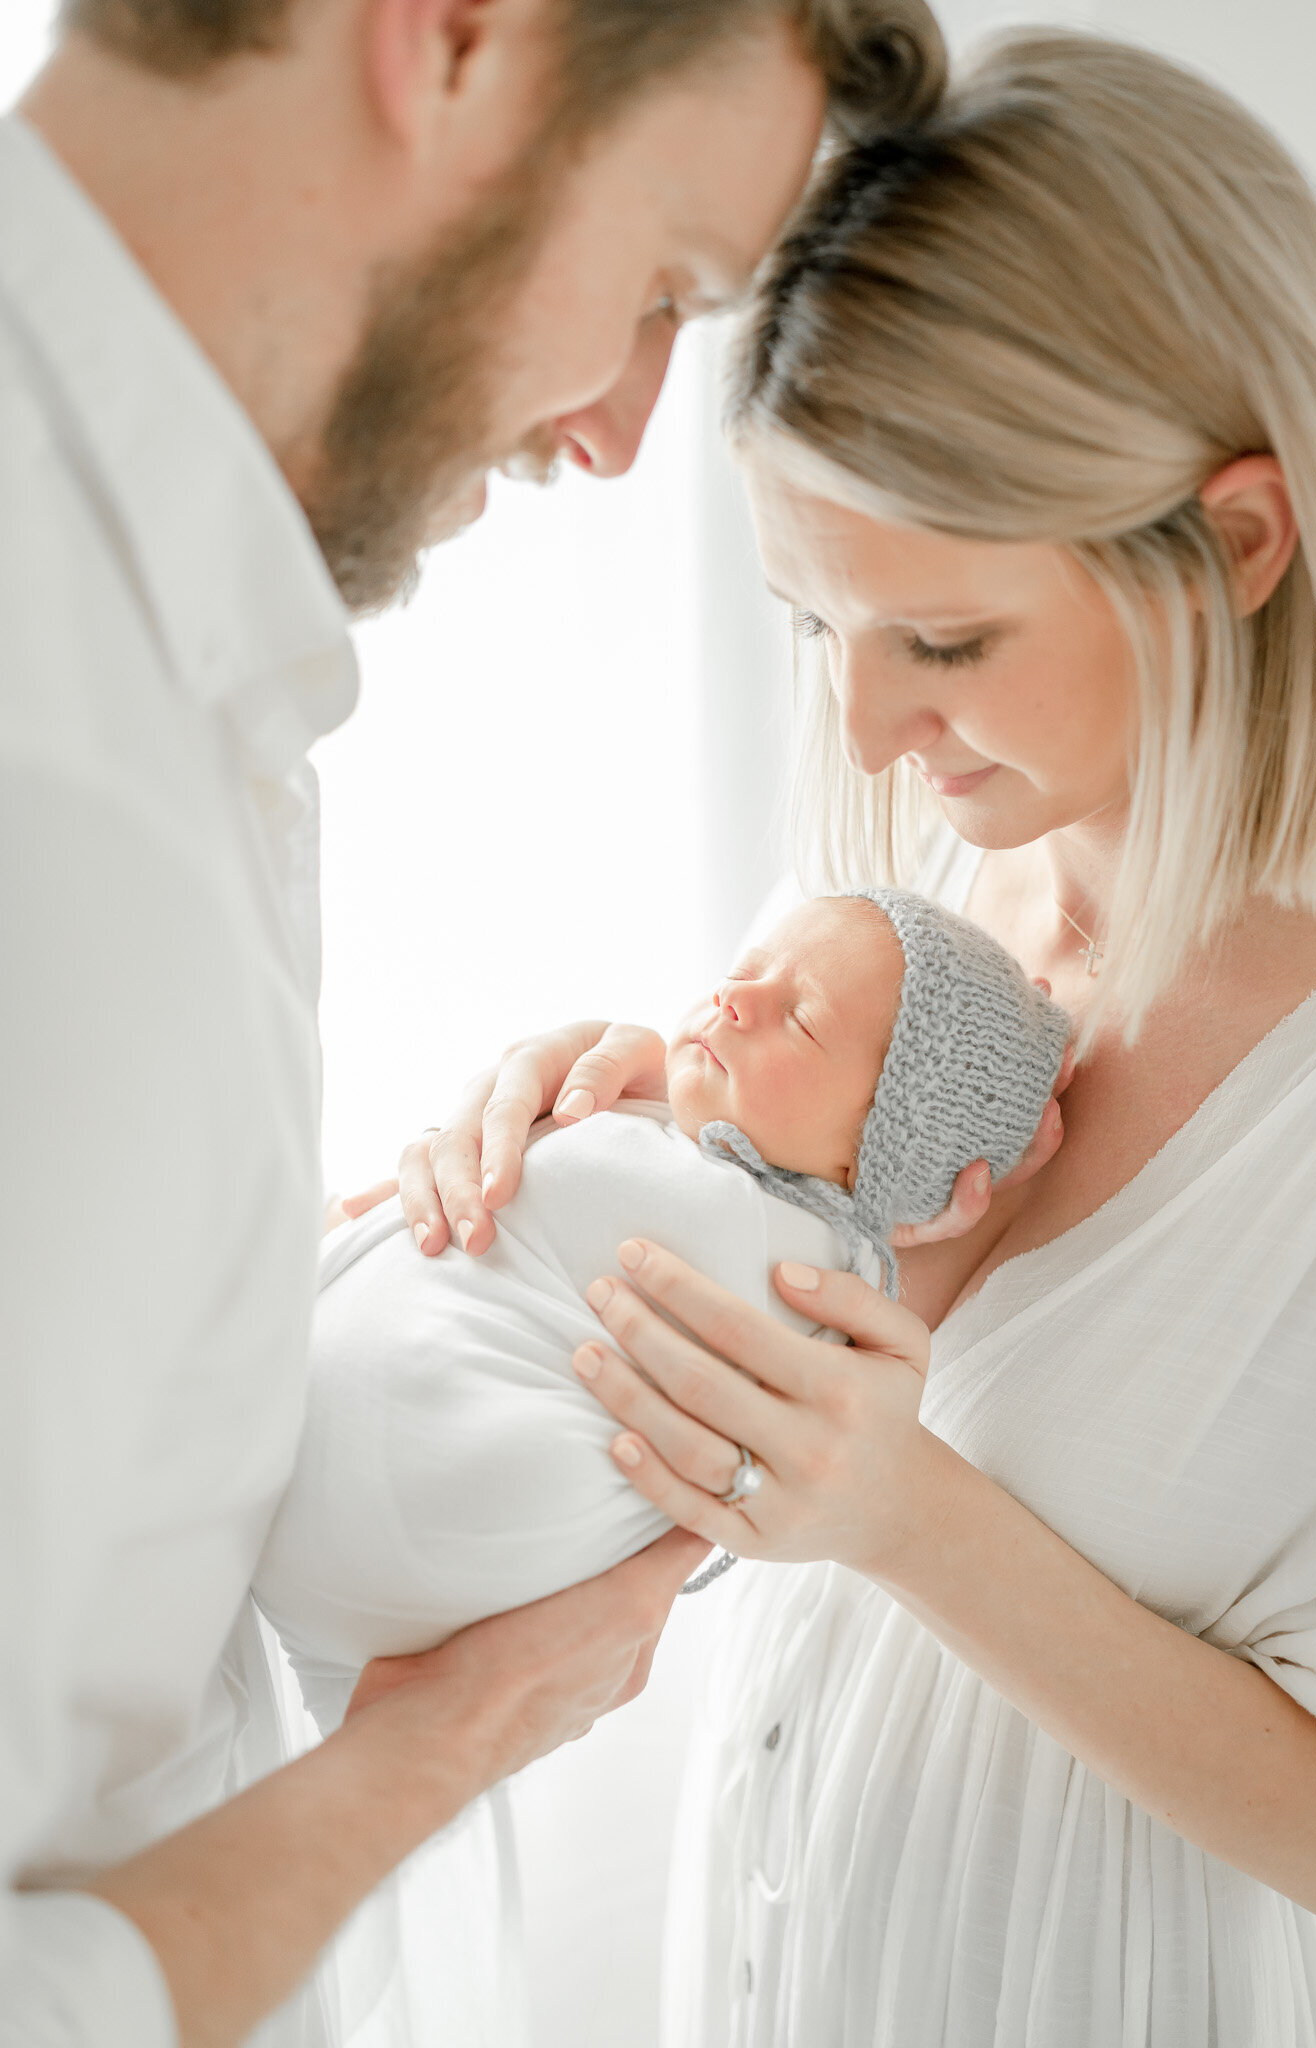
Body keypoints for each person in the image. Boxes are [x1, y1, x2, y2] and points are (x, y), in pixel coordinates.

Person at [392, 29, 1316, 2045]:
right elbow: (784, 1402)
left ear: (1241, 545)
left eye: (944, 640)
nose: (860, 733)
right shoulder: (941, 863)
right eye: (813, 622)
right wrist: (620, 1171)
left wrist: (905, 1516)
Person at [0, 0, 951, 2041]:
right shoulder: (55, 776)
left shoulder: (161, 684)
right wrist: (454, 1734)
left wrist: (273, 1288)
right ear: (453, 39)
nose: (617, 430)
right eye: (660, 288)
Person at [255, 891, 1065, 1729]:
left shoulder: (794, 1262)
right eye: (743, 973)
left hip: (407, 1509)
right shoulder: (654, 1124)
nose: (733, 999)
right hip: (351, 1542)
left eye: (800, 1019)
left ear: (883, 1149)